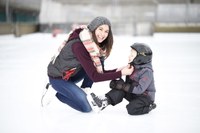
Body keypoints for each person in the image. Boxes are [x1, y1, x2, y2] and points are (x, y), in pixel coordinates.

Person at [41, 16, 134, 113]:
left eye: (106, 31)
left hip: (71, 74)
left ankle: (85, 88)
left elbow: (98, 71)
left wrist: (120, 70)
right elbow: (95, 77)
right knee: (87, 107)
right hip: (58, 78)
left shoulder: (93, 47)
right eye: (100, 29)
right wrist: (121, 73)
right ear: (93, 28)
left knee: (98, 60)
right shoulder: (79, 46)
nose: (103, 34)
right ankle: (56, 91)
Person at [90, 43, 156, 115]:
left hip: (145, 98)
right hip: (134, 95)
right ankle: (104, 101)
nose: (129, 56)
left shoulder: (147, 72)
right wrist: (117, 84)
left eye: (132, 55)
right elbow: (128, 84)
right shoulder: (132, 67)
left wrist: (122, 86)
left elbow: (139, 90)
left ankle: (148, 107)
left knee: (131, 109)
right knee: (120, 90)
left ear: (140, 58)